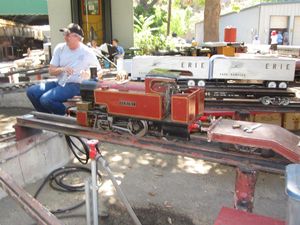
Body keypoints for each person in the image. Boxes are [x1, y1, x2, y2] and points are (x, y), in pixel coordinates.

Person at [27, 23, 101, 115]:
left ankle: (68, 117)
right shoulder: (60, 48)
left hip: (76, 85)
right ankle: (47, 117)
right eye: (64, 34)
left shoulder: (87, 52)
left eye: (67, 35)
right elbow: (51, 71)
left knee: (46, 99)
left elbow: (99, 72)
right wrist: (62, 69)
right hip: (60, 83)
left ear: (77, 38)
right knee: (31, 92)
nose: (65, 37)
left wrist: (88, 74)